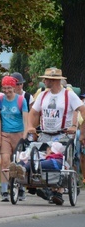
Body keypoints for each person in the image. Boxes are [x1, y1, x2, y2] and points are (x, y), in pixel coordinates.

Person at [27, 67, 85, 205]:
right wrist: (30, 126)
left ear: (54, 80)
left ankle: (58, 190)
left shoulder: (68, 95)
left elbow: (82, 109)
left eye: (46, 79)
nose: (44, 81)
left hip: (62, 134)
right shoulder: (43, 95)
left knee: (59, 158)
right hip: (45, 134)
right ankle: (40, 184)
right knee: (36, 155)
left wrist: (77, 128)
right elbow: (34, 112)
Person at [0, 75, 29, 202]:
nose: (7, 91)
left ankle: (21, 188)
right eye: (4, 88)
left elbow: (25, 120)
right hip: (5, 134)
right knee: (5, 161)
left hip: (18, 133)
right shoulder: (0, 99)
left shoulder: (21, 100)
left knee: (19, 162)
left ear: (14, 87)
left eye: (9, 88)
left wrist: (25, 136)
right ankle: (5, 190)